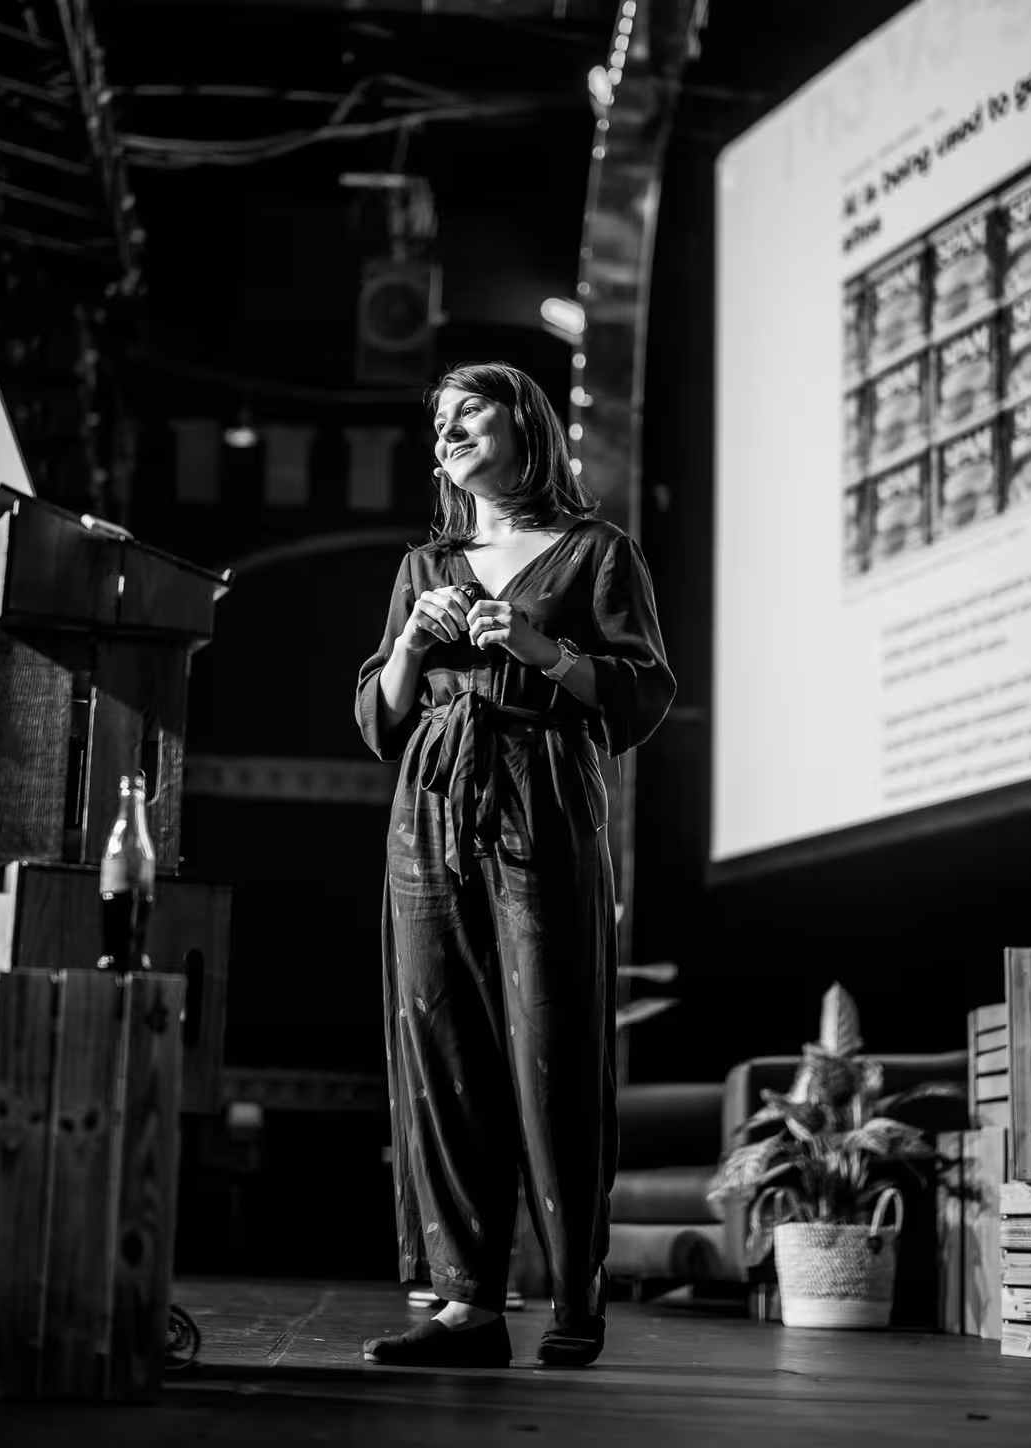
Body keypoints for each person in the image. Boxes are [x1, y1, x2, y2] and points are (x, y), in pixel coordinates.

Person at [355, 361, 675, 1369]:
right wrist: (409, 641)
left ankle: (574, 1292)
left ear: (525, 423)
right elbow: (377, 714)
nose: (446, 430)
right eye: (438, 419)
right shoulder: (426, 565)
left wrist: (543, 652)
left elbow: (644, 691)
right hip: (430, 805)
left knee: (553, 1046)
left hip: (541, 797)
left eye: (469, 412)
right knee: (439, 1044)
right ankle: (466, 1307)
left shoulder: (596, 552)